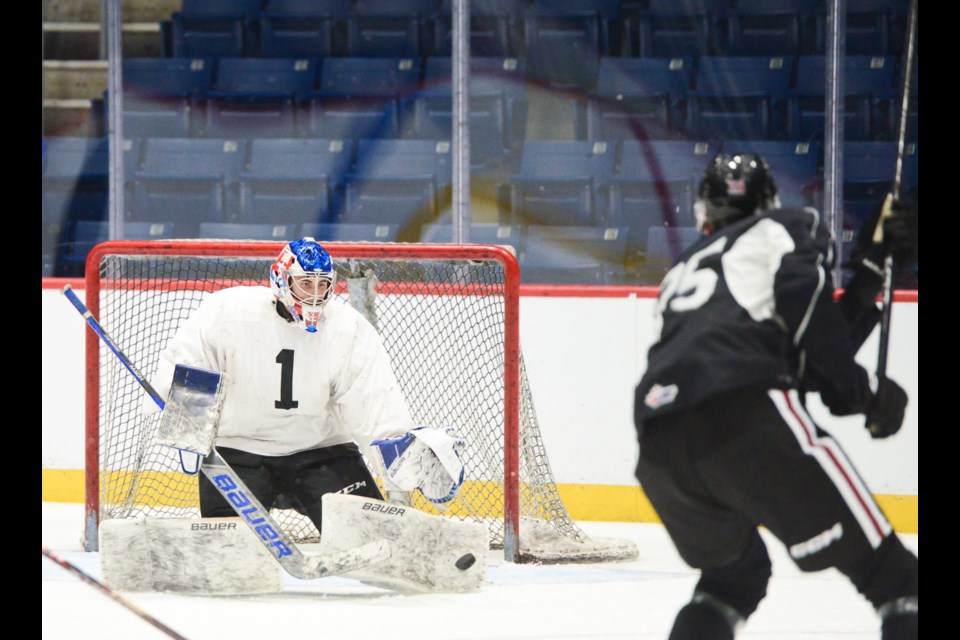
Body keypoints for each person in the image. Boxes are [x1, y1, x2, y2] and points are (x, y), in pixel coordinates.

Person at [632, 154, 918, 640]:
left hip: (660, 444)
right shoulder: (784, 226)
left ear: (704, 213)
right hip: (746, 418)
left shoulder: (682, 269)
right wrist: (863, 392)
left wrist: (870, 275)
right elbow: (806, 318)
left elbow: (796, 355)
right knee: (898, 583)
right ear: (769, 201)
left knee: (730, 581)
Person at [150, 237, 464, 533]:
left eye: (323, 284)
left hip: (321, 454)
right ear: (281, 279)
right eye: (305, 283)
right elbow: (189, 362)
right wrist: (188, 423)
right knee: (229, 554)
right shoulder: (227, 311)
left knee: (371, 538)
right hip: (238, 453)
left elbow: (371, 401)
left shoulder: (347, 328)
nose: (315, 294)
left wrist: (399, 454)